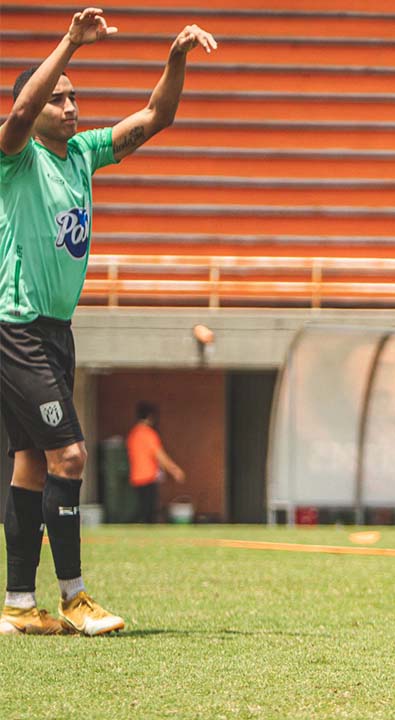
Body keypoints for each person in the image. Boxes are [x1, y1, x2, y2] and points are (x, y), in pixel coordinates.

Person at [1, 9, 217, 636]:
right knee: (69, 456)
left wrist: (175, 58)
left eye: (74, 97)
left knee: (30, 464)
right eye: (58, 97)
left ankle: (18, 605)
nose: (70, 106)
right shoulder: (17, 156)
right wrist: (70, 42)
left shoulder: (84, 152)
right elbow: (19, 115)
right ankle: (74, 599)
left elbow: (156, 116)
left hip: (54, 331)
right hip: (17, 328)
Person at [126, 402, 186, 523]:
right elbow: (160, 456)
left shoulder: (133, 434)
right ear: (150, 417)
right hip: (148, 476)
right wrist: (175, 470)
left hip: (136, 476)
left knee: (143, 508)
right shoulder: (148, 434)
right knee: (148, 512)